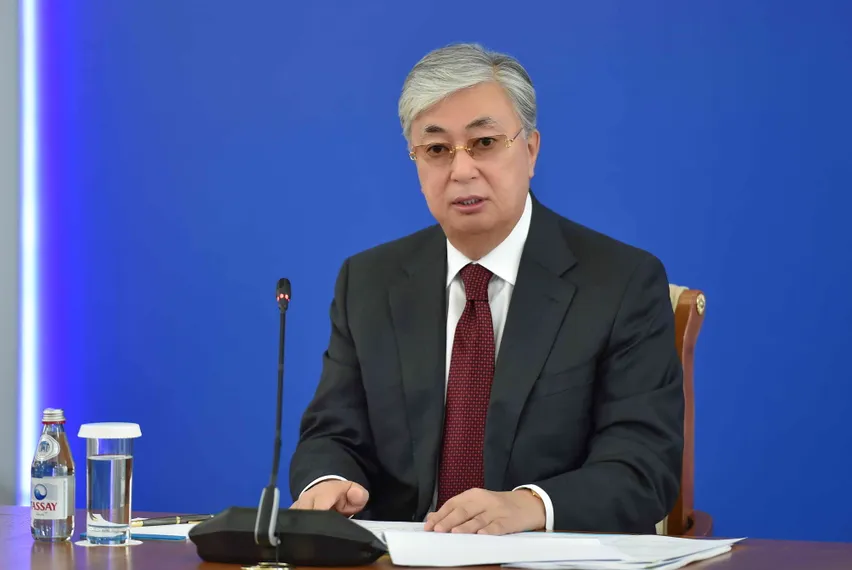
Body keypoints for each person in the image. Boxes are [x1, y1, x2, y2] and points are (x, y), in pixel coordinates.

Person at [288, 43, 684, 535]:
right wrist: (328, 481)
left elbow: (644, 465)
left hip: (545, 558)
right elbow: (332, 433)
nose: (461, 170)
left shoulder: (621, 282)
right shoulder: (369, 281)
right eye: (437, 150)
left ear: (531, 150)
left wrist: (530, 506)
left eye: (484, 142)